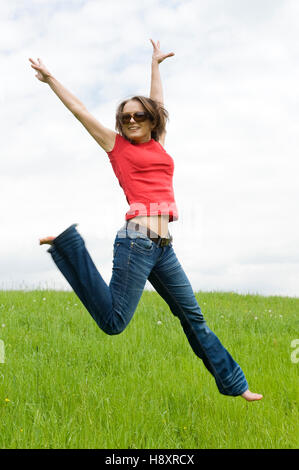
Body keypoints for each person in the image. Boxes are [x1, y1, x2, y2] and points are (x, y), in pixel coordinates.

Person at [29, 39, 262, 401]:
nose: (133, 120)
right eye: (126, 117)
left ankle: (234, 385)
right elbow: (81, 111)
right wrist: (51, 79)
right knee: (113, 323)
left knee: (193, 317)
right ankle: (68, 246)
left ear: (152, 120)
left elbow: (159, 101)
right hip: (136, 243)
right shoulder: (116, 147)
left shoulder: (159, 142)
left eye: (139, 115)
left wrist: (155, 64)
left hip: (164, 248)